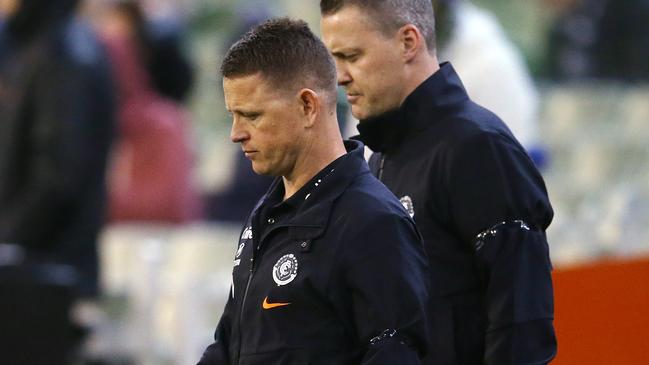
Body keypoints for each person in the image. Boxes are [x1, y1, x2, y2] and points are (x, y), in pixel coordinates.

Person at [320, 1, 556, 364]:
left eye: (352, 55)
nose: (340, 76)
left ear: (408, 43)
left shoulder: (479, 147)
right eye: (335, 59)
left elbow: (521, 323)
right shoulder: (379, 156)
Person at [198, 18, 430, 365]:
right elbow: (228, 344)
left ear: (308, 106)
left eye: (251, 115)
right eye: (233, 115)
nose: (236, 133)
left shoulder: (372, 223)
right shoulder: (266, 215)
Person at [0, 0, 115, 298]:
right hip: (34, 269)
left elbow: (58, 177)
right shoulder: (33, 44)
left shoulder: (62, 52)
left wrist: (7, 240)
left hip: (43, 276)